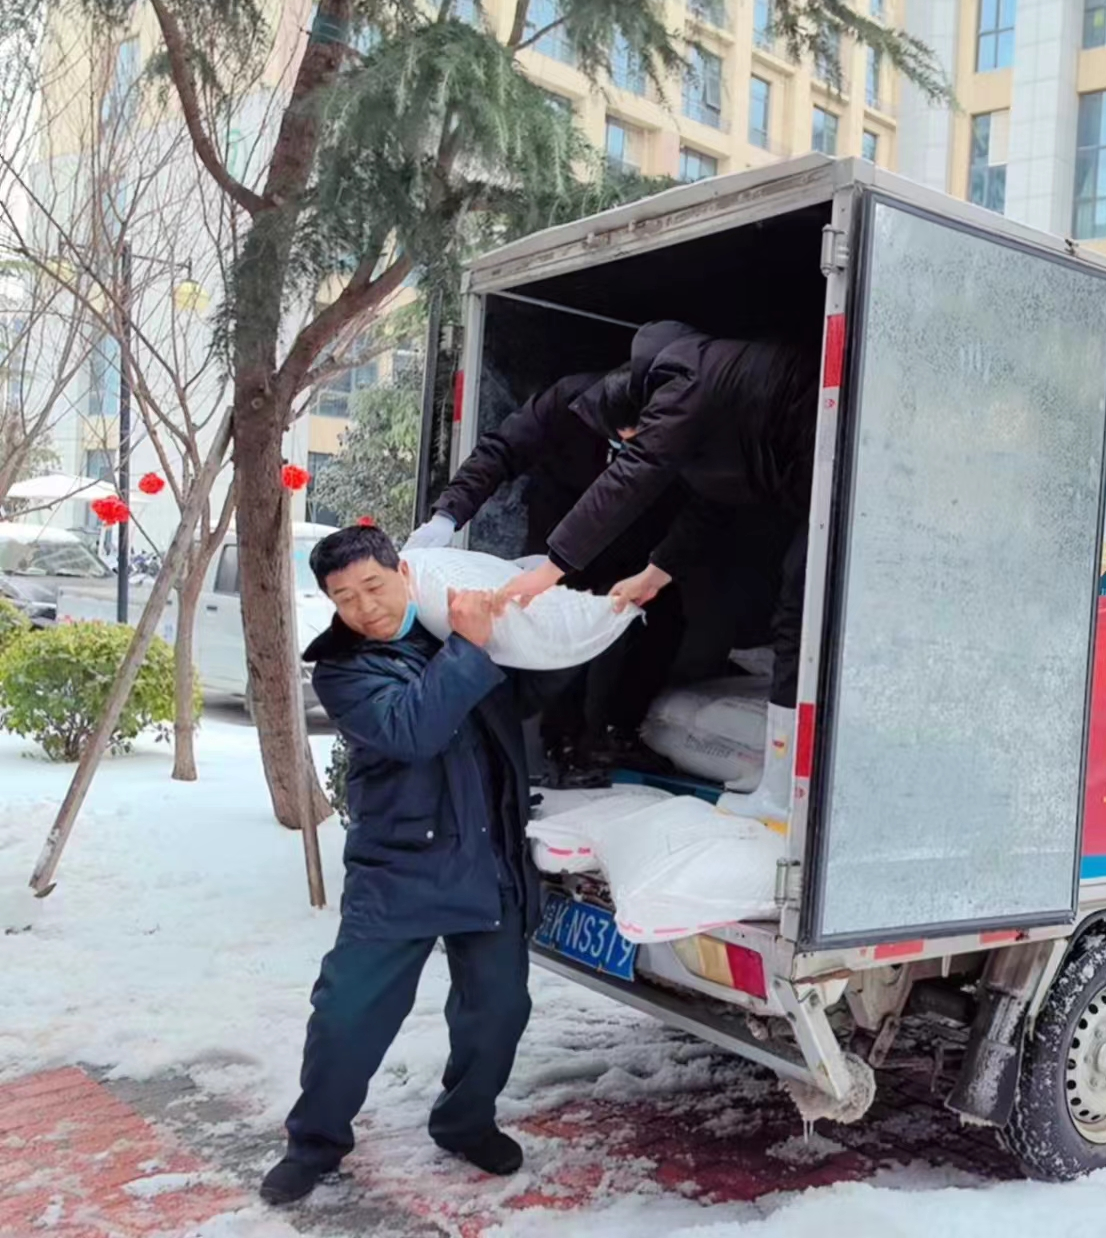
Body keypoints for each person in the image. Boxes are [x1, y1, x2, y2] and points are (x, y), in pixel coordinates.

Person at [260, 526, 539, 1205]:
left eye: (374, 586)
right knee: (347, 1012)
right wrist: (469, 645)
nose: (364, 607)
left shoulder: (454, 629)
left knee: (499, 1009)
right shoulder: (344, 668)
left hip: (484, 851)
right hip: (399, 863)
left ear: (404, 574)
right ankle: (314, 1142)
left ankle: (466, 1122)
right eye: (344, 596)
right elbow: (414, 729)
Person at [496, 320, 816, 824]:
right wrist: (655, 572)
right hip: (814, 467)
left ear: (637, 419)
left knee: (798, 611)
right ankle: (778, 781)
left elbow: (632, 478)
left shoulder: (683, 383)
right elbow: (712, 504)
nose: (625, 449)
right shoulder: (701, 407)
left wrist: (550, 568)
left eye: (625, 440)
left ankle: (781, 787)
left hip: (833, 454)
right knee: (794, 608)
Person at [404, 367, 684, 784]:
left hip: (635, 540)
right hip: (559, 538)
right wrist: (448, 515)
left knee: (662, 621)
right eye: (618, 439)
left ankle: (619, 732)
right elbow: (501, 449)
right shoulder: (569, 401)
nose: (626, 446)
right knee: (557, 633)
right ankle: (561, 745)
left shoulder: (676, 413)